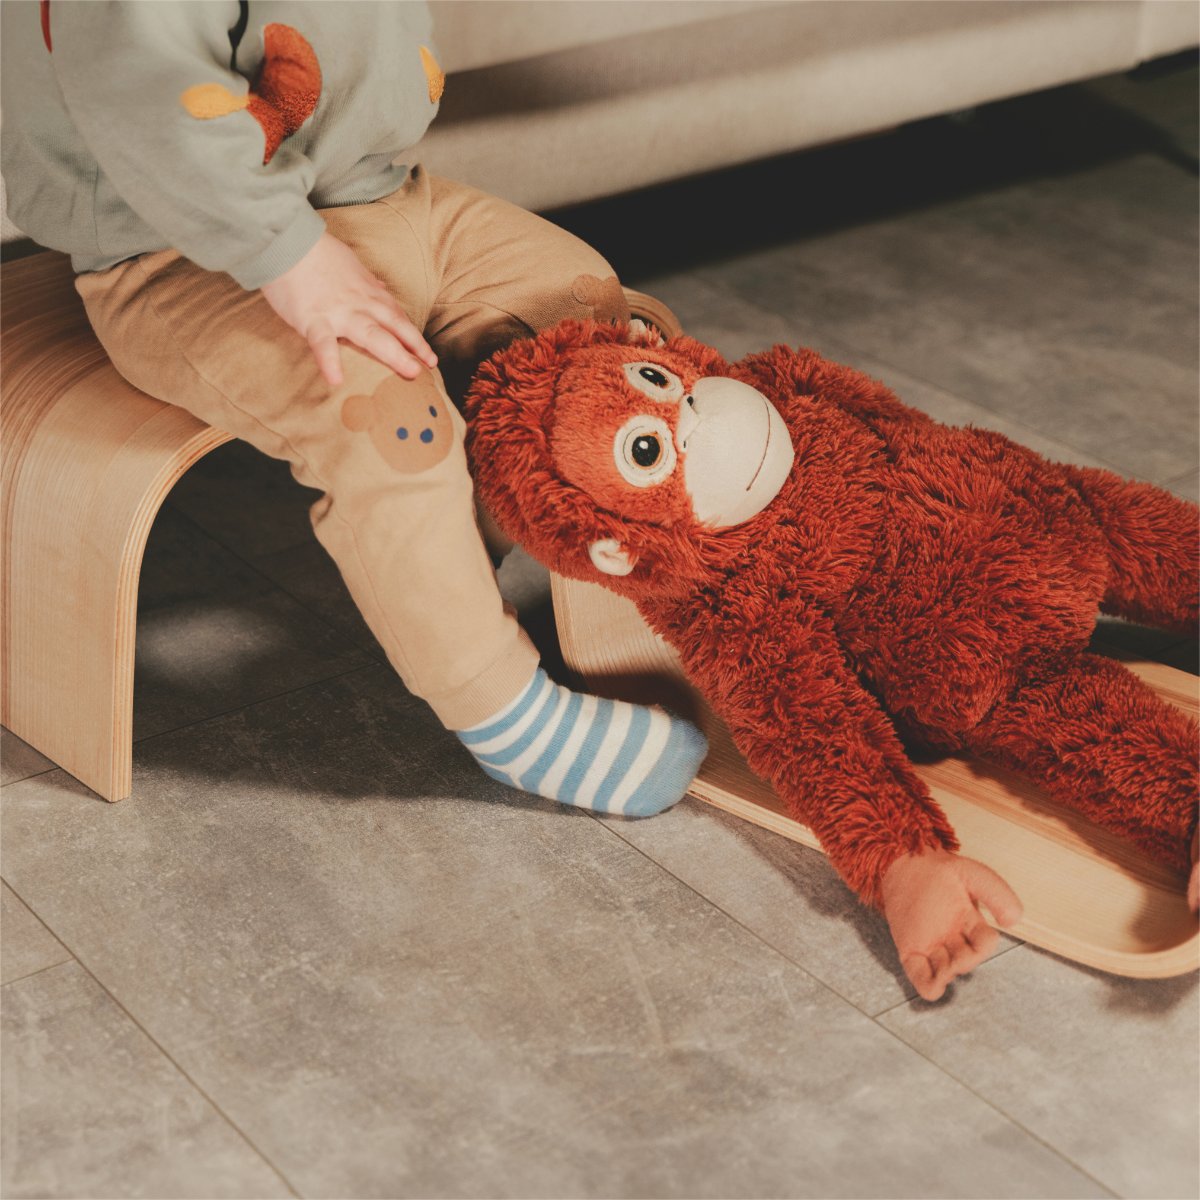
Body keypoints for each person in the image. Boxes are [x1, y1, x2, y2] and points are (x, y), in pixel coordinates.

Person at [1, 0, 707, 815]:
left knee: (594, 332)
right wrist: (289, 258)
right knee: (387, 424)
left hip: (384, 190)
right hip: (177, 244)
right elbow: (141, 90)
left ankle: (440, 584)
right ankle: (504, 714)